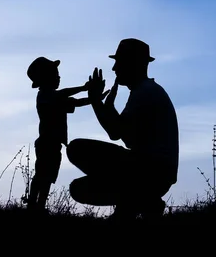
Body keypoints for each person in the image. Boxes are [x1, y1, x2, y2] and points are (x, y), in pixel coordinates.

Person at [66, 38, 179, 220]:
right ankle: (133, 205)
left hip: (151, 172)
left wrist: (96, 101)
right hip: (153, 172)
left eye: (119, 62)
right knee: (78, 189)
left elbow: (116, 132)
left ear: (132, 63)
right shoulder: (145, 91)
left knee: (76, 149)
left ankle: (142, 201)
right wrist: (106, 108)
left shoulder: (145, 92)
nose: (114, 69)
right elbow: (124, 136)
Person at [26, 56, 108, 212]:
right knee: (41, 174)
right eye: (55, 75)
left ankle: (40, 205)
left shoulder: (56, 99)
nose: (58, 77)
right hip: (46, 143)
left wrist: (94, 99)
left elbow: (76, 102)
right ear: (45, 78)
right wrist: (84, 88)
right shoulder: (45, 96)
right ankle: (32, 204)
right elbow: (63, 94)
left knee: (48, 176)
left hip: (55, 144)